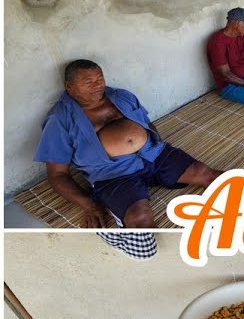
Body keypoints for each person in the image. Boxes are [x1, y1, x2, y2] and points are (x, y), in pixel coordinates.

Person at [35, 60, 224, 228]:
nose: (97, 85)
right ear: (70, 87)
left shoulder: (121, 96)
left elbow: (147, 124)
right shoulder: (59, 119)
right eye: (88, 82)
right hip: (113, 174)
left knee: (205, 173)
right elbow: (57, 174)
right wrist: (89, 204)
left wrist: (154, 148)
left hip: (153, 155)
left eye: (100, 78)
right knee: (139, 218)